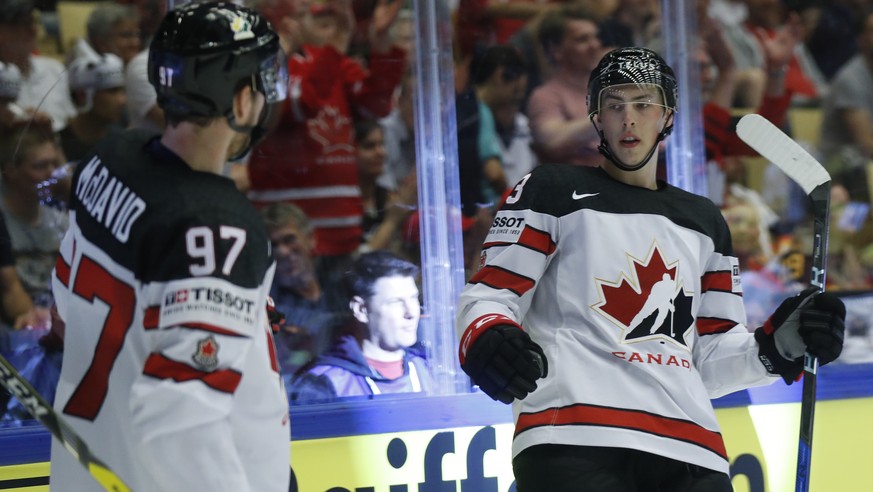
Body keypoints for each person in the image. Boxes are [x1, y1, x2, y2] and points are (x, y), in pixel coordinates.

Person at [456, 47, 846, 491]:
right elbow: (489, 294)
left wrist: (781, 343)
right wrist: (486, 333)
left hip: (692, 449)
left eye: (644, 105)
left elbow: (712, 358)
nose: (629, 119)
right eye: (614, 104)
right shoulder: (551, 190)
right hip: (573, 435)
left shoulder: (704, 220)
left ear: (667, 117)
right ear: (595, 116)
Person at [49, 3, 291, 491]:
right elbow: (182, 420)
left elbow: (64, 303)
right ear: (242, 100)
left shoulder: (108, 159)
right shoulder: (217, 228)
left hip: (88, 467)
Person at [289, 250, 433, 403]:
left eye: (414, 298)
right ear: (361, 310)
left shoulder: (431, 370)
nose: (411, 313)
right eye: (396, 302)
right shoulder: (323, 384)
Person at [260, 202, 346, 379]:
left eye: (289, 240)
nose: (282, 251)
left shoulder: (338, 279)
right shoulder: (269, 299)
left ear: (310, 238)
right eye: (273, 245)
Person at [525, 4, 606, 167]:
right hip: (577, 188)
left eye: (595, 37)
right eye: (582, 39)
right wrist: (611, 115)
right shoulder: (545, 96)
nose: (595, 45)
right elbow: (552, 142)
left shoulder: (610, 88)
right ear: (555, 50)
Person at [61, 53, 128, 163]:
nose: (123, 100)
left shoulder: (121, 139)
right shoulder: (59, 146)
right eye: (112, 91)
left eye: (122, 91)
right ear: (82, 96)